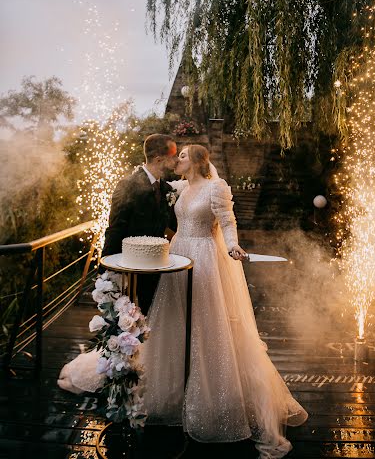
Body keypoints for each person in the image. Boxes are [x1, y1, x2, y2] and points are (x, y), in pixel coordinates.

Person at [58, 144, 307, 458]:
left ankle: (209, 394)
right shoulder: (178, 188)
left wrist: (233, 247)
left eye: (183, 156)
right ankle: (170, 389)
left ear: (200, 160)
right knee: (172, 321)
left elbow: (228, 223)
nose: (177, 160)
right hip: (176, 255)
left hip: (205, 257)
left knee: (205, 321)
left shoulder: (216, 188)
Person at [102, 133, 178, 314]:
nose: (176, 160)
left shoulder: (167, 189)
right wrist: (106, 270)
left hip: (157, 267)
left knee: (151, 316)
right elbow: (116, 227)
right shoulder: (127, 185)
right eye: (173, 156)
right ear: (159, 159)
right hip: (130, 268)